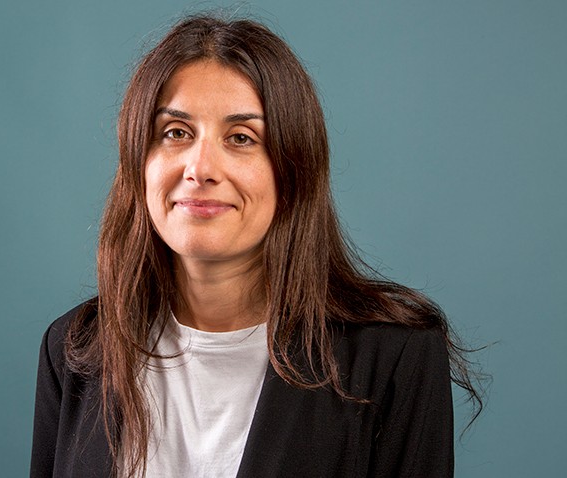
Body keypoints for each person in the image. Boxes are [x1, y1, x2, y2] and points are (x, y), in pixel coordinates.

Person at [31, 13, 483, 478]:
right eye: (175, 133)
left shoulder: (395, 355)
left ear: (292, 170)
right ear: (137, 163)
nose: (200, 168)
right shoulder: (76, 347)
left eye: (241, 138)